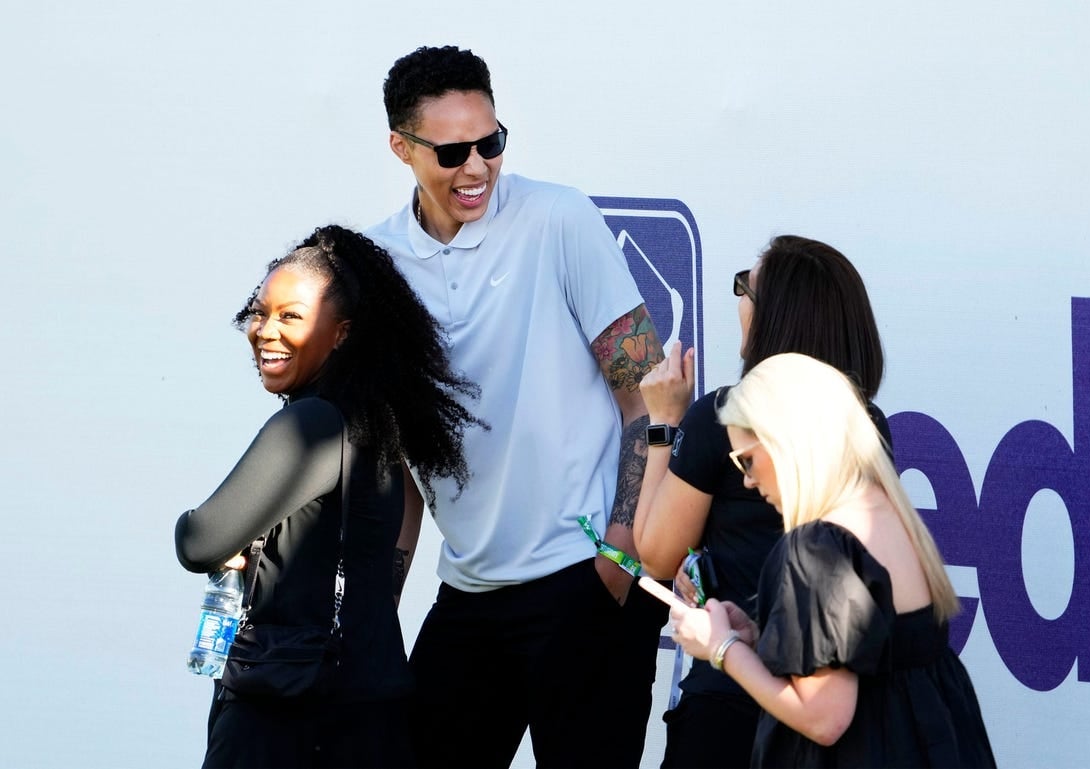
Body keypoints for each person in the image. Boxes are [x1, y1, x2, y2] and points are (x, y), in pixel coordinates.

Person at [363, 45, 667, 768]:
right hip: (468, 593)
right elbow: (397, 459)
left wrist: (619, 557)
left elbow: (648, 396)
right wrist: (376, 615)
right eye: (454, 150)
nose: (477, 168)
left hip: (584, 580)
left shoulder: (557, 218)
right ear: (401, 148)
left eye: (491, 142)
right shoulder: (377, 265)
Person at [175, 225, 481, 769]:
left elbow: (199, 541)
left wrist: (210, 533)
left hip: (290, 713)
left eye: (291, 316)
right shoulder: (372, 423)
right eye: (261, 312)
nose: (266, 330)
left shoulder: (313, 424)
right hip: (367, 708)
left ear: (341, 334)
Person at [667, 352, 996, 768]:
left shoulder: (817, 549)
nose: (747, 480)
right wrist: (763, 634)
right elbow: (867, 650)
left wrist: (722, 648)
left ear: (786, 442)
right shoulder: (888, 513)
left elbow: (825, 718)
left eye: (746, 459)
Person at [634, 235, 890, 768]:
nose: (752, 481)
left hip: (736, 706)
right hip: (832, 704)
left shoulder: (723, 418)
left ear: (775, 317)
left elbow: (654, 555)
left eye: (743, 288)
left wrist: (662, 422)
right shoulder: (870, 429)